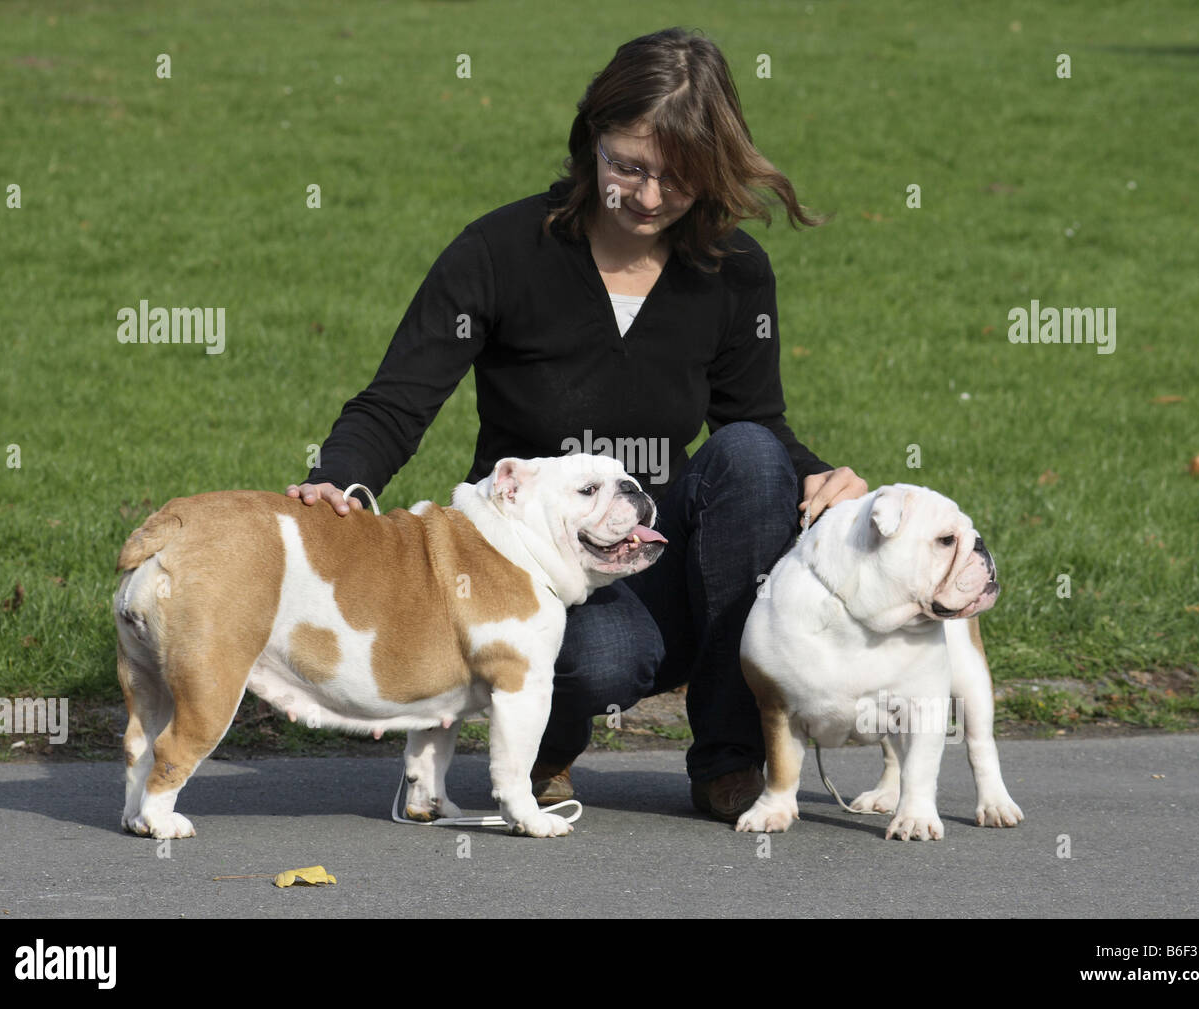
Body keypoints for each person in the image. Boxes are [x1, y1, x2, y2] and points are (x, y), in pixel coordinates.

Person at [287, 27, 868, 822]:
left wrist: (823, 476)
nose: (652, 197)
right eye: (629, 166)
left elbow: (757, 426)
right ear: (590, 138)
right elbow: (396, 401)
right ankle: (543, 746)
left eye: (681, 179)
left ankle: (733, 757)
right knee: (597, 655)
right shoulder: (500, 250)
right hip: (538, 567)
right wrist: (338, 482)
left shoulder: (733, 272)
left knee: (755, 460)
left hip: (662, 551)